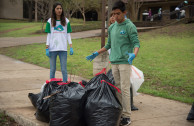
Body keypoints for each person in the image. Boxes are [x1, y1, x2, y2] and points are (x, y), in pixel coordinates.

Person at [86, 1, 140, 125]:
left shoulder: (129, 26)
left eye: (118, 14)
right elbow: (108, 45)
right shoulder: (112, 27)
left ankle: (127, 116)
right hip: (114, 62)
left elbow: (136, 43)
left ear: (124, 13)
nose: (116, 16)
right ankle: (120, 112)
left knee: (125, 89)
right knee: (118, 89)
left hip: (125, 62)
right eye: (114, 14)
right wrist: (96, 53)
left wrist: (134, 54)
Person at [45, 2, 73, 82]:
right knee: (52, 69)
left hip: (63, 49)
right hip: (52, 49)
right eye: (57, 8)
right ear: (54, 10)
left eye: (60, 8)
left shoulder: (66, 21)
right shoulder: (49, 21)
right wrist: (47, 48)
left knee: (64, 69)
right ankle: (52, 86)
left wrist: (71, 47)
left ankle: (64, 86)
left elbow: (68, 35)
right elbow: (48, 35)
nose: (59, 10)